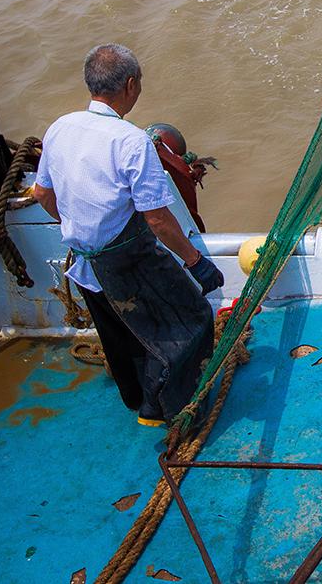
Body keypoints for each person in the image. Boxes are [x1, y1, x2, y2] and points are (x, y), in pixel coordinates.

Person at [31, 44, 224, 426]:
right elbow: (158, 220)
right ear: (131, 86)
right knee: (193, 320)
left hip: (86, 265)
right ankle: (174, 410)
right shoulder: (131, 141)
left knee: (120, 335)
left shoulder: (60, 127)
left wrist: (80, 229)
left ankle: (139, 402)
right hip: (128, 264)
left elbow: (41, 194)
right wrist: (196, 262)